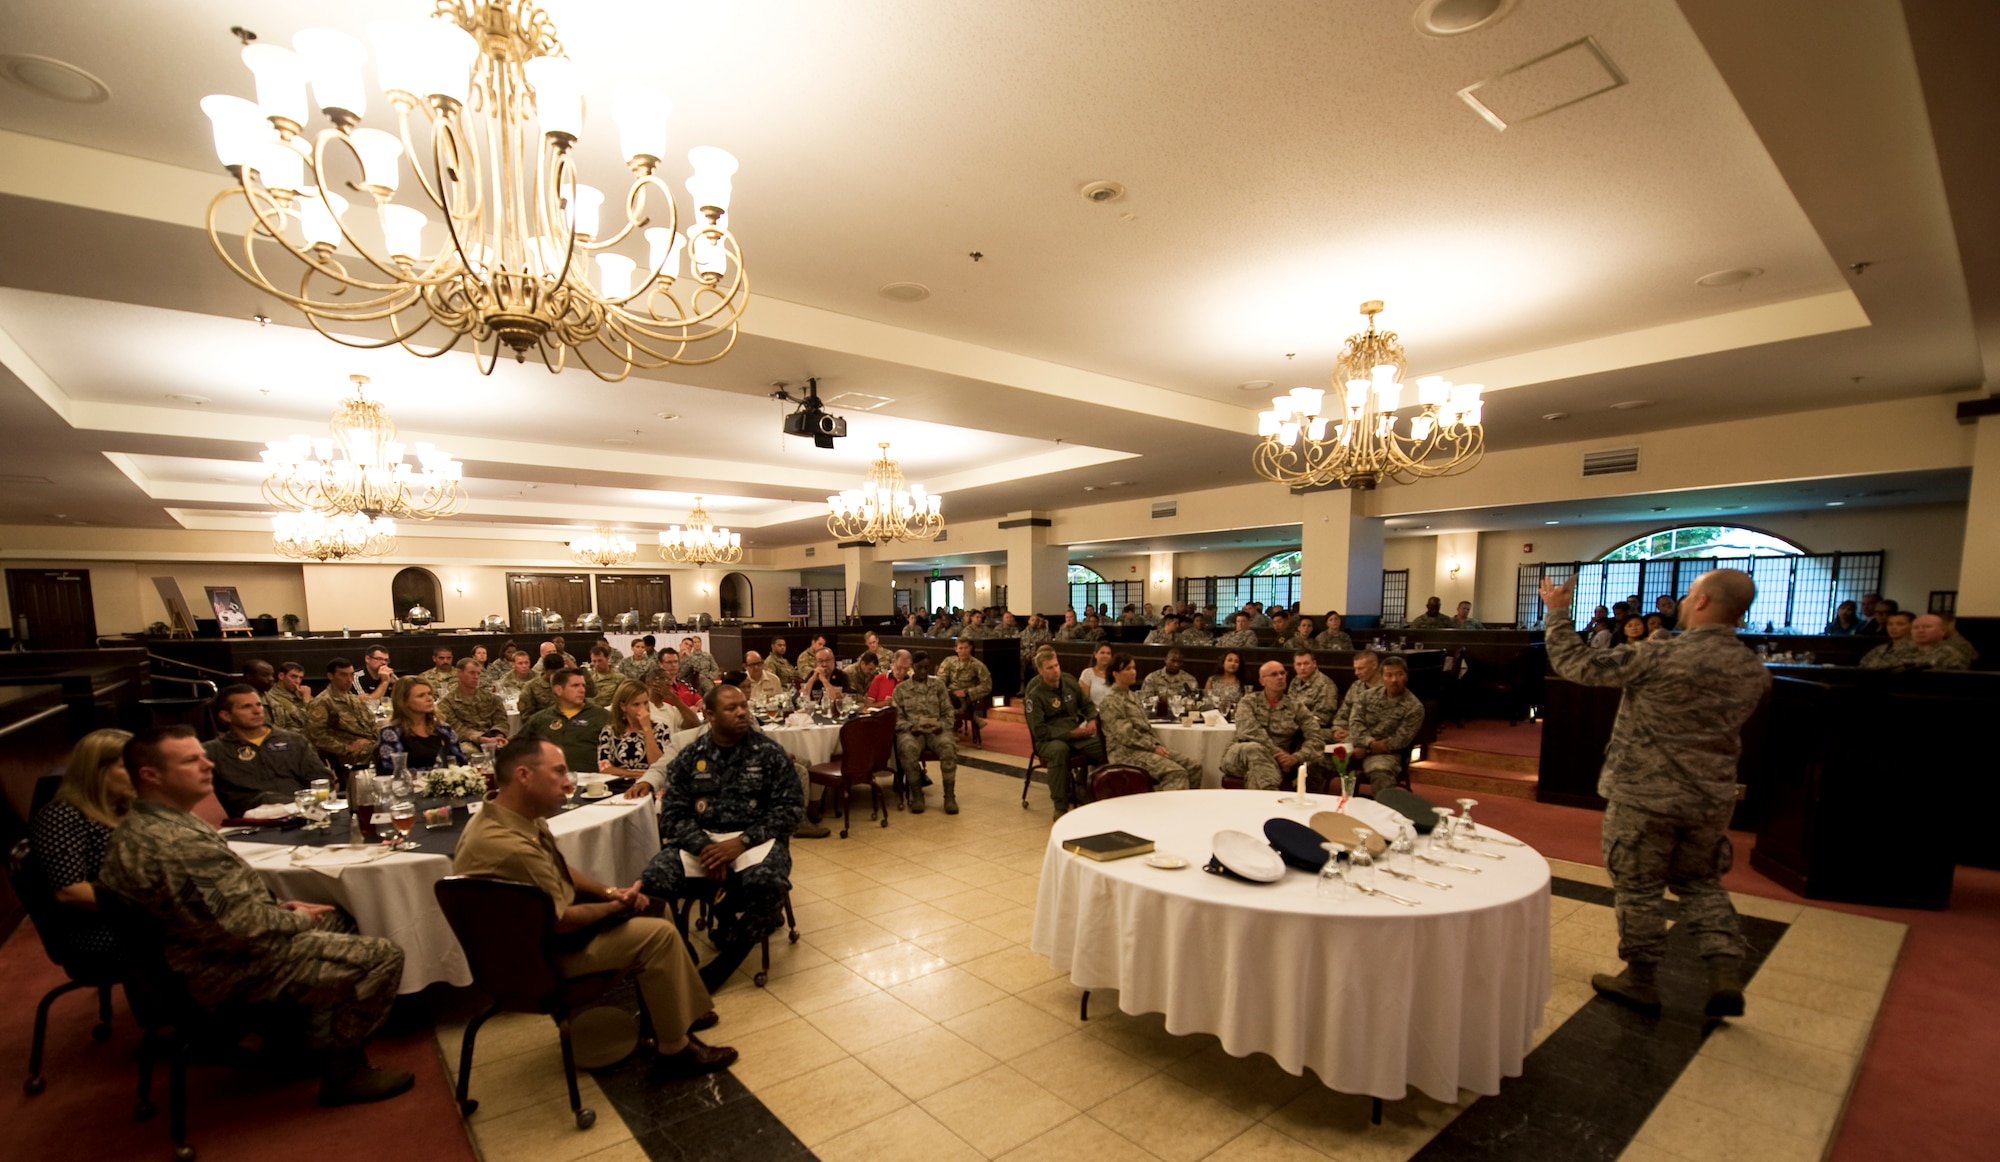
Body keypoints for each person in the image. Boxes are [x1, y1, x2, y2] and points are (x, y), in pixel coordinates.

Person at [100, 727, 413, 1105]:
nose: (208, 764)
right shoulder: (176, 842)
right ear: (151, 775)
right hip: (225, 968)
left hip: (199, 950)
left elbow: (207, 907)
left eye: (202, 755)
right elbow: (241, 930)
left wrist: (279, 909)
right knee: (383, 957)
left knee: (338, 916)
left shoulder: (149, 823)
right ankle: (345, 1073)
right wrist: (293, 920)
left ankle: (305, 1041)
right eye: (190, 761)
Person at [1540, 569, 1770, 1019]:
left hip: (1645, 794)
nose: (1684, 601)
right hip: (1710, 796)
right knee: (1700, 881)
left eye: (1688, 594)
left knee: (1639, 887)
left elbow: (1578, 665)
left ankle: (1641, 980)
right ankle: (1724, 968)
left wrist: (1558, 613)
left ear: (1702, 602)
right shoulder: (1752, 669)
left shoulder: (1663, 656)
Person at [455, 737, 733, 1075]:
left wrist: (609, 892)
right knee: (658, 934)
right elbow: (564, 921)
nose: (568, 783)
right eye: (558, 772)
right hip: (535, 960)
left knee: (655, 907)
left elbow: (558, 869)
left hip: (532, 936)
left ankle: (674, 1010)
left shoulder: (509, 816)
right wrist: (618, 907)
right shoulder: (510, 845)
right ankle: (673, 1049)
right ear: (524, 775)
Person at [640, 686, 803, 992]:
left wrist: (740, 844)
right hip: (700, 844)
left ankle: (720, 968)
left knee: (770, 886)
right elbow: (673, 815)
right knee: (652, 882)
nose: (742, 712)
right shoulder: (691, 757)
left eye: (743, 706)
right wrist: (706, 849)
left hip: (754, 843)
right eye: (731, 708)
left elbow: (790, 809)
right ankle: (680, 953)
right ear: (710, 715)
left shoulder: (768, 753)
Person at [27, 728, 133, 958]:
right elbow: (71, 892)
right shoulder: (62, 815)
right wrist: (144, 908)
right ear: (97, 771)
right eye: (127, 767)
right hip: (102, 929)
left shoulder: (123, 807)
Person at [206, 684, 333, 815]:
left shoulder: (294, 741)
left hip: (302, 813)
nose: (257, 711)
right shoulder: (214, 751)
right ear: (226, 715)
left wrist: (310, 807)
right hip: (253, 823)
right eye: (246, 707)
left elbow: (321, 779)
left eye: (259, 705)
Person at [1023, 647, 1105, 819]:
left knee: (1104, 746)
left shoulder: (1068, 682)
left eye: (1056, 665)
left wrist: (1091, 720)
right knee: (1060, 751)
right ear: (1040, 671)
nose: (1055, 670)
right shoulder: (1035, 695)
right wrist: (1069, 734)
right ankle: (1060, 807)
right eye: (1050, 668)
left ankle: (1092, 789)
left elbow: (1087, 705)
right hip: (1049, 740)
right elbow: (1039, 731)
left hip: (1076, 734)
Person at [1221, 661, 1326, 791]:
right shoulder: (1248, 702)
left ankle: (1263, 802)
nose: (1280, 677)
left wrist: (1295, 757)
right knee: (1254, 748)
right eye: (1274, 674)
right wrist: (1277, 754)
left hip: (1277, 765)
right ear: (1262, 681)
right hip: (1239, 757)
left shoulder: (1296, 706)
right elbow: (1248, 732)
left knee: (1257, 772)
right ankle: (1271, 796)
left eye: (1283, 673)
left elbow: (1316, 737)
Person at [1100, 656, 1197, 791]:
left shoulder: (1133, 695)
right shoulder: (1111, 700)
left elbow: (1146, 728)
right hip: (1126, 753)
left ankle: (1189, 807)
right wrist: (1153, 748)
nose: (1133, 672)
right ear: (1115, 674)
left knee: (1193, 767)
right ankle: (1171, 811)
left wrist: (1157, 745)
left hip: (1145, 748)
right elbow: (1126, 735)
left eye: (1134, 668)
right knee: (1175, 773)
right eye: (1128, 669)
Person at [1342, 657, 1424, 796]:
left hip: (1387, 754)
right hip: (1356, 745)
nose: (1394, 680)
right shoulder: (1366, 696)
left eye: (1399, 674)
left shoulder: (1414, 707)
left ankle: (1383, 813)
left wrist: (1367, 750)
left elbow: (1401, 740)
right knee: (1318, 760)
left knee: (1381, 774)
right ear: (1381, 677)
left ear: (1406, 677)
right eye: (1389, 675)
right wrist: (1368, 743)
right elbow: (1355, 724)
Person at [891, 651, 960, 814]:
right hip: (912, 731)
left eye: (926, 668)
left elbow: (949, 712)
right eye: (919, 667)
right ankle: (917, 794)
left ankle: (949, 796)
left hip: (936, 731)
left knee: (948, 747)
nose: (923, 671)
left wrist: (942, 726)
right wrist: (910, 728)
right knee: (907, 749)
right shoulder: (901, 689)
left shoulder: (938, 686)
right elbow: (896, 718)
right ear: (912, 667)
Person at [514, 669, 612, 775]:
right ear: (558, 690)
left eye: (583, 685)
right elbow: (517, 746)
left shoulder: (601, 716)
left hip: (592, 780)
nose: (582, 690)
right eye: (575, 686)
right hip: (549, 780)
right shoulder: (541, 719)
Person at [376, 676, 469, 774]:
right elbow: (393, 770)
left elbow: (462, 762)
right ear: (403, 701)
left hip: (443, 784)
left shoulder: (444, 729)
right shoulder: (391, 732)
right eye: (421, 696)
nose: (429, 699)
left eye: (429, 694)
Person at [306, 657, 378, 769]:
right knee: (389, 751)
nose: (349, 680)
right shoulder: (323, 702)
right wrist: (346, 748)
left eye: (351, 675)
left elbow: (371, 722)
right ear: (330, 676)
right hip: (347, 755)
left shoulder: (355, 699)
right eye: (343, 675)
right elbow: (316, 736)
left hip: (370, 745)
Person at [598, 681, 669, 777]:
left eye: (645, 703)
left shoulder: (661, 729)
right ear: (623, 707)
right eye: (636, 704)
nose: (643, 709)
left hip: (651, 785)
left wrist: (647, 729)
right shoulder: (610, 732)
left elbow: (659, 766)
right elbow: (604, 768)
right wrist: (638, 775)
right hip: (618, 785)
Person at [439, 657, 510, 747]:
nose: (476, 677)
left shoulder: (491, 698)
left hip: (493, 736)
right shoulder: (447, 703)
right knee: (467, 750)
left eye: (478, 673)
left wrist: (499, 735)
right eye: (472, 673)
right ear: (459, 673)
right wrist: (481, 739)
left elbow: (501, 720)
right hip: (468, 741)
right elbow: (457, 729)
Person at [938, 638, 993, 747]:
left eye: (966, 648)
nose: (963, 651)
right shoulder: (949, 661)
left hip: (965, 698)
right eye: (960, 648)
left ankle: (951, 731)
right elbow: (941, 680)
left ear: (970, 648)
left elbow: (987, 686)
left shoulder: (977, 665)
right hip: (949, 694)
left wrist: (967, 692)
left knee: (949, 706)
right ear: (956, 649)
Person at [1331, 650, 1384, 740]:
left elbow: (1384, 726)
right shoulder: (1356, 686)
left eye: (1361, 668)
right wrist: (1338, 730)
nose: (1356, 673)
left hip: (1369, 738)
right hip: (1347, 731)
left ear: (1374, 665)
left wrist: (1353, 733)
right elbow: (1343, 713)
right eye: (1355, 669)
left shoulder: (1386, 689)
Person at [650, 653, 705, 730]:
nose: (673, 665)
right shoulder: (644, 708)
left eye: (676, 662)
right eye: (669, 662)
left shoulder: (685, 685)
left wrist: (675, 699)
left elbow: (696, 724)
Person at [1289, 650, 1340, 729]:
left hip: (1312, 728)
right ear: (1294, 666)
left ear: (1314, 664)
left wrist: (1295, 725)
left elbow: (1322, 717)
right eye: (1298, 664)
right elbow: (1289, 706)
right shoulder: (1295, 680)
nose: (1302, 668)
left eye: (1306, 664)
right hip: (1292, 724)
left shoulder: (1325, 684)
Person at [514, 654, 566, 719]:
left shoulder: (566, 684)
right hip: (542, 724)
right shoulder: (531, 687)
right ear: (544, 670)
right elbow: (526, 716)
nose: (556, 676)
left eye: (559, 673)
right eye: (553, 673)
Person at [266, 661, 313, 731]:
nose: (298, 681)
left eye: (300, 678)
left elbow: (320, 715)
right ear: (281, 676)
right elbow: (305, 720)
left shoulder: (300, 693)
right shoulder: (274, 696)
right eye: (294, 676)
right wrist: (306, 700)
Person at [1078, 641, 1116, 707]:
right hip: (1094, 713)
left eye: (1108, 653)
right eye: (1102, 653)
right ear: (1095, 654)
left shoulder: (1116, 674)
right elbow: (1083, 701)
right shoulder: (1087, 673)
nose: (1105, 656)